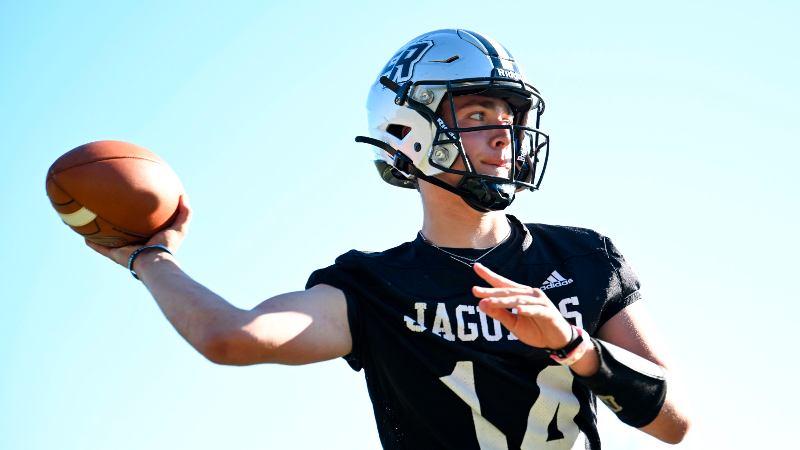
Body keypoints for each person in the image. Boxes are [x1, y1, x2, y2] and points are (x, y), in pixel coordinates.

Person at [89, 29, 691, 449]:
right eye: (477, 115)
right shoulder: (374, 289)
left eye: (509, 117)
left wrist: (572, 345)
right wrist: (149, 256)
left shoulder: (582, 258)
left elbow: (675, 423)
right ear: (411, 131)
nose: (503, 135)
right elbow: (230, 337)